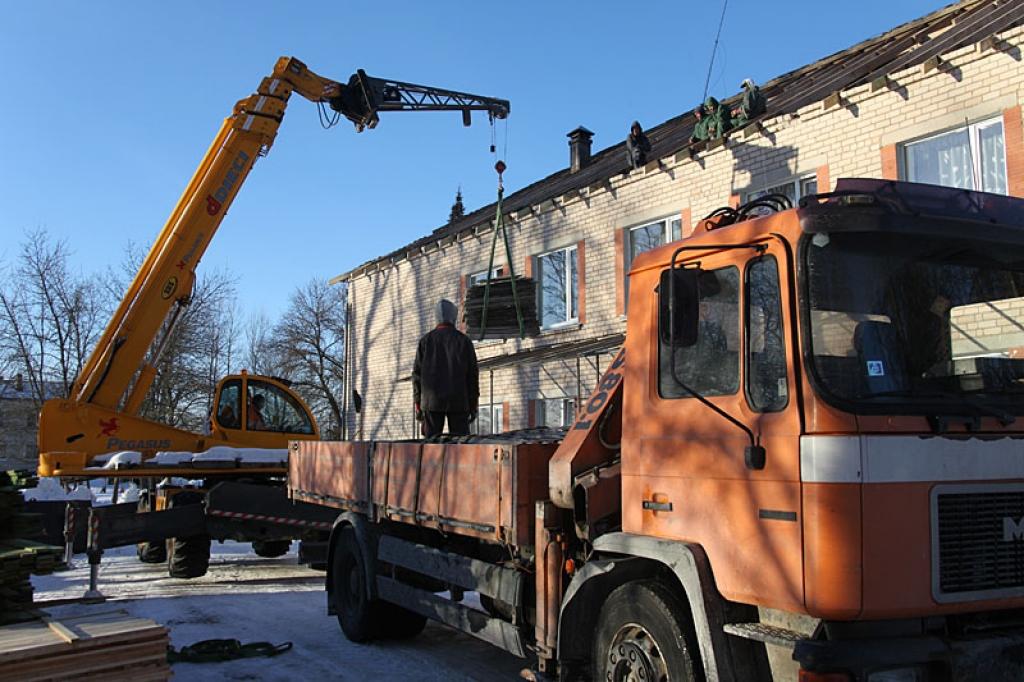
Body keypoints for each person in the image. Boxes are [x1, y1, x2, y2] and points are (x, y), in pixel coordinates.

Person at [413, 299, 479, 437]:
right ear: (453, 317)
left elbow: (417, 376)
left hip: (431, 402)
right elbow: (472, 377)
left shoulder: (426, 341)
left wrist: (418, 404)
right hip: (459, 402)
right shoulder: (464, 342)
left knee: (431, 448)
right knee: (461, 446)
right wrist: (473, 405)